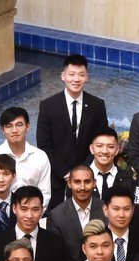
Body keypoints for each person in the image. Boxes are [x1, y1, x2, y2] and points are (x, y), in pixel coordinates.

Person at [37, 54, 111, 201]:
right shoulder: (48, 106)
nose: (76, 79)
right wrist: (64, 172)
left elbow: (101, 141)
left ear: (87, 77)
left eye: (81, 75)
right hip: (57, 180)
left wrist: (83, 171)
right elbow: (44, 144)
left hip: (88, 178)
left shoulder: (97, 105)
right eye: (71, 74)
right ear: (63, 76)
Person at [0, 105, 51, 199]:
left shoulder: (40, 157)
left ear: (28, 127)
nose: (14, 130)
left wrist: (33, 208)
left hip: (33, 207)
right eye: (9, 126)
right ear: (2, 130)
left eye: (19, 125)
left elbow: (45, 193)